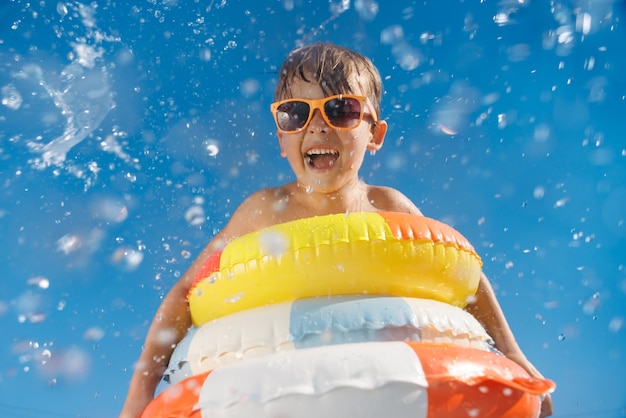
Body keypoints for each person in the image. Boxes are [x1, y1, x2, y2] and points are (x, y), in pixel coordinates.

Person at [119, 42, 553, 418]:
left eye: (341, 109)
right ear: (281, 138)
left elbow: (461, 275)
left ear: (375, 134)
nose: (317, 125)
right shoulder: (263, 211)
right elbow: (187, 293)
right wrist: (141, 391)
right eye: (294, 113)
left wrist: (512, 355)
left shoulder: (388, 206)